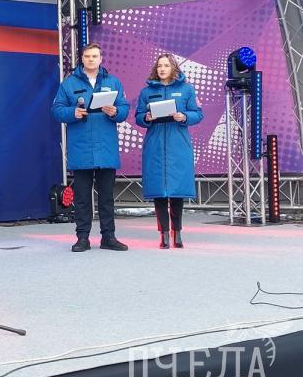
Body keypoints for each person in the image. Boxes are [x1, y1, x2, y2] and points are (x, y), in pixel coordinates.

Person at [52, 42, 130, 252]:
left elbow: (124, 109)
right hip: (81, 148)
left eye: (95, 56)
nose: (91, 59)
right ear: (82, 59)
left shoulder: (113, 82)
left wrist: (115, 112)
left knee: (106, 197)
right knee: (82, 197)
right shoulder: (68, 84)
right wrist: (72, 113)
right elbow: (56, 110)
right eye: (87, 56)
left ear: (101, 59)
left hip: (106, 148)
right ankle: (82, 237)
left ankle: (108, 237)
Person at [135, 53, 203, 249]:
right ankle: (164, 233)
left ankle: (177, 232)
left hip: (178, 145)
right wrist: (146, 117)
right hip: (155, 145)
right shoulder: (146, 92)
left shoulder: (187, 89)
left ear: (173, 67)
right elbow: (138, 116)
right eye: (159, 66)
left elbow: (198, 114)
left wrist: (184, 116)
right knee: (159, 192)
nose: (162, 69)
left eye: (166, 65)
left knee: (176, 191)